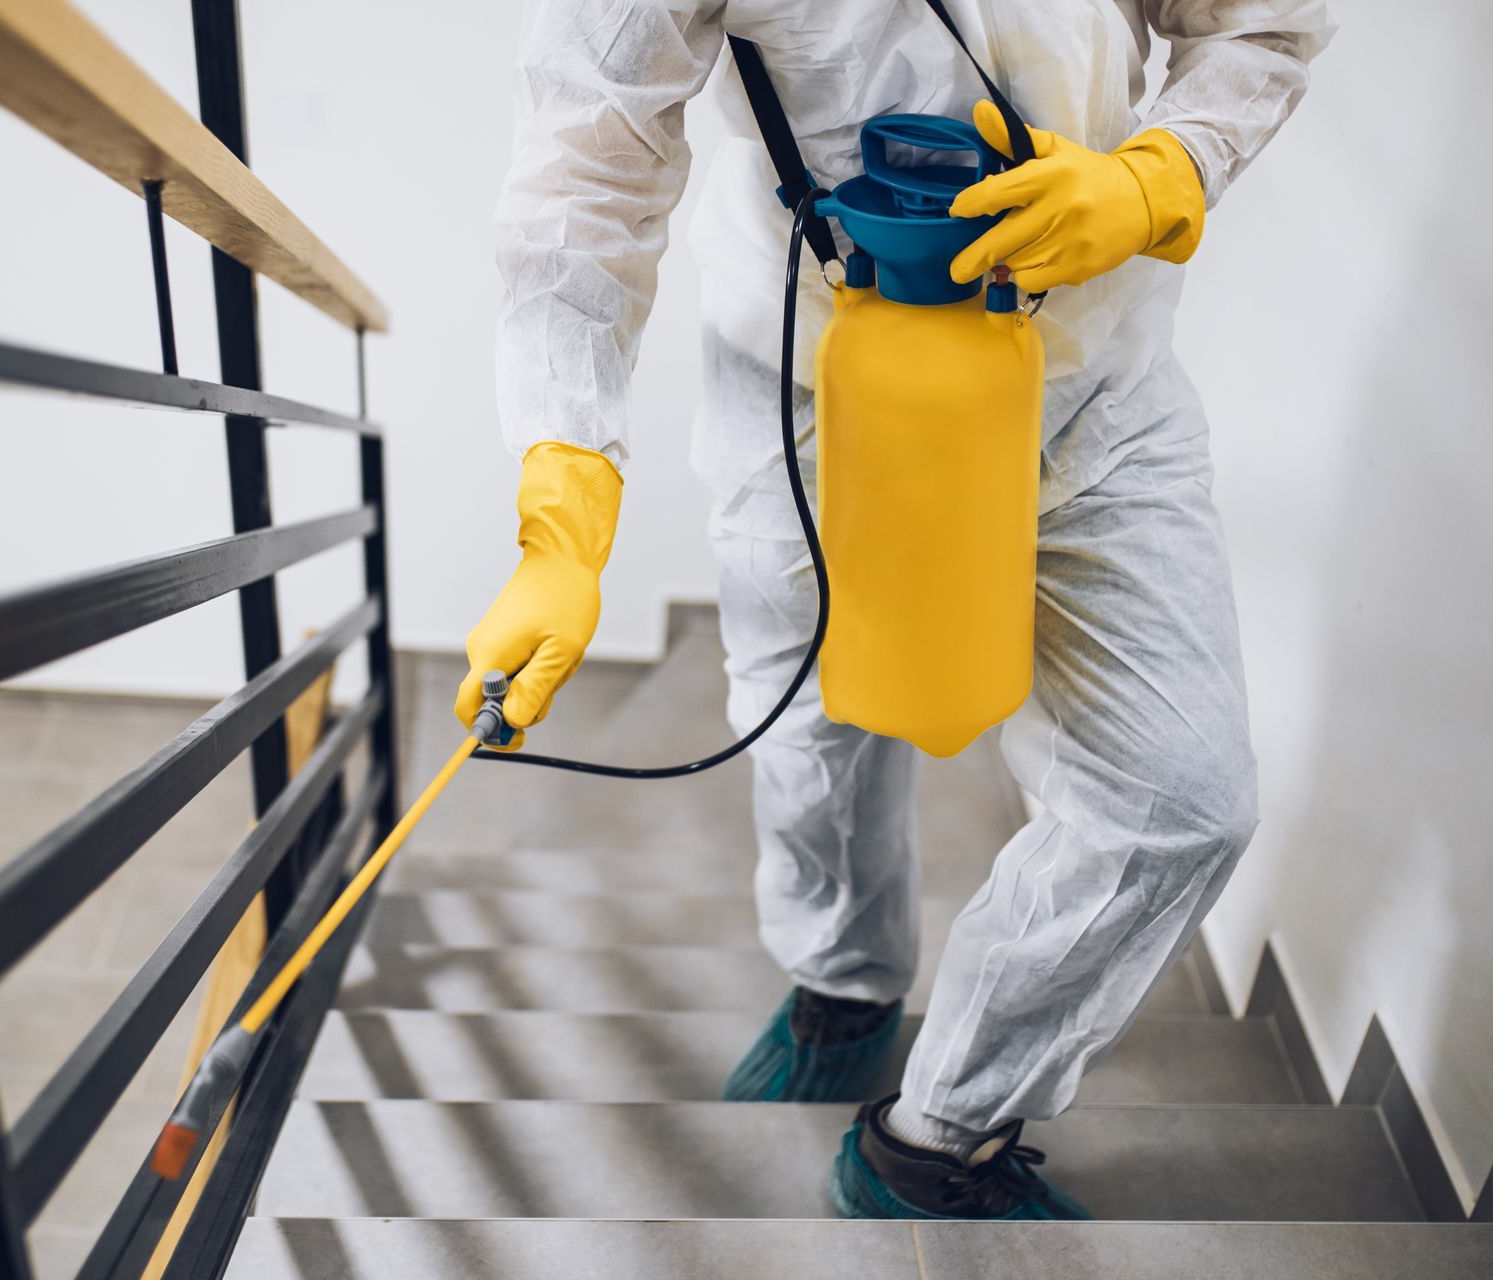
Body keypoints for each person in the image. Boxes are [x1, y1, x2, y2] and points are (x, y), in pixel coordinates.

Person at [456, 0, 1334, 1221]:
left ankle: (941, 1134)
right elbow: (585, 164)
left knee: (1181, 797)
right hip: (810, 376)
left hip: (1092, 377)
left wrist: (1163, 170)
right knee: (809, 716)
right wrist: (564, 489)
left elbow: (1262, 23)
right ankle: (841, 986)